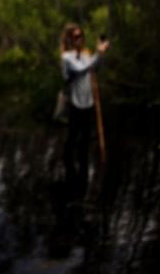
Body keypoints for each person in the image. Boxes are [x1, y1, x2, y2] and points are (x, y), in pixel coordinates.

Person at [59, 23, 109, 194]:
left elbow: (95, 67)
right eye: (76, 36)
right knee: (72, 137)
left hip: (89, 103)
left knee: (85, 139)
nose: (79, 39)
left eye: (81, 36)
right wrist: (99, 53)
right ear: (70, 40)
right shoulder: (67, 57)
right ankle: (68, 167)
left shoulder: (88, 54)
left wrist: (101, 54)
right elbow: (81, 70)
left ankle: (83, 176)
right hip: (75, 103)